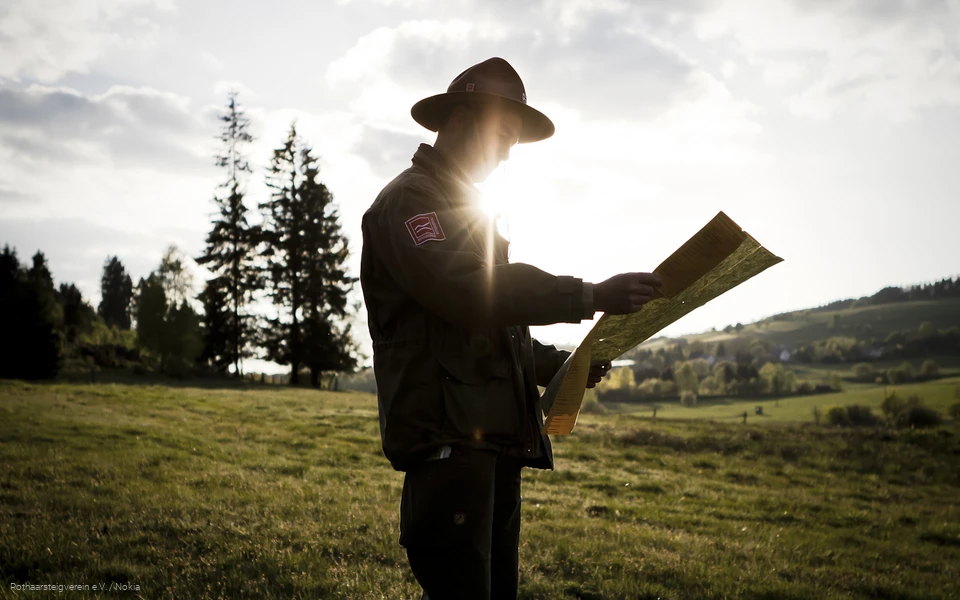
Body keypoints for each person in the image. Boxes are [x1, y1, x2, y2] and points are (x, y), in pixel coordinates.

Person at [359, 57, 662, 600]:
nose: (504, 155)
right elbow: (467, 291)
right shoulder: (410, 201)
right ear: (460, 118)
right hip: (449, 447)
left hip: (490, 445)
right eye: (502, 135)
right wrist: (590, 295)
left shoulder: (463, 205)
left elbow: (493, 327)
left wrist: (562, 365)